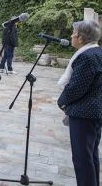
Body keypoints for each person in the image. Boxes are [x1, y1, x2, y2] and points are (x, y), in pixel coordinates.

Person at [57, 20, 102, 186]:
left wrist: (61, 102)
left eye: (73, 33)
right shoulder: (98, 52)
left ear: (81, 38)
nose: (71, 36)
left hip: (84, 113)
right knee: (90, 156)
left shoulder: (87, 57)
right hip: (94, 111)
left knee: (82, 158)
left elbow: (76, 88)